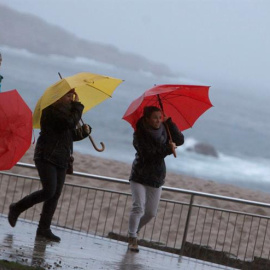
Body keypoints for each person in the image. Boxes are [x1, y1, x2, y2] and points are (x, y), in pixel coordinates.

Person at [8, 89, 91, 242]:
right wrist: (78, 107)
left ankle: (43, 229)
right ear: (58, 97)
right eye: (67, 96)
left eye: (71, 96)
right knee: (49, 190)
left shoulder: (67, 112)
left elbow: (68, 136)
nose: (71, 99)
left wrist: (83, 133)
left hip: (61, 158)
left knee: (55, 195)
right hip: (46, 155)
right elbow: (67, 123)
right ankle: (17, 207)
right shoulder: (51, 111)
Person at [127, 106, 184, 252]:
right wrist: (167, 149)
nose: (158, 120)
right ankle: (132, 237)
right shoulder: (139, 133)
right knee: (138, 207)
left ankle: (133, 231)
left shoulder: (165, 129)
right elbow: (149, 154)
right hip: (139, 175)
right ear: (147, 119)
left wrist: (169, 122)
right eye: (154, 117)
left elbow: (180, 140)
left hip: (156, 176)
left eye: (160, 117)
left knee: (151, 213)